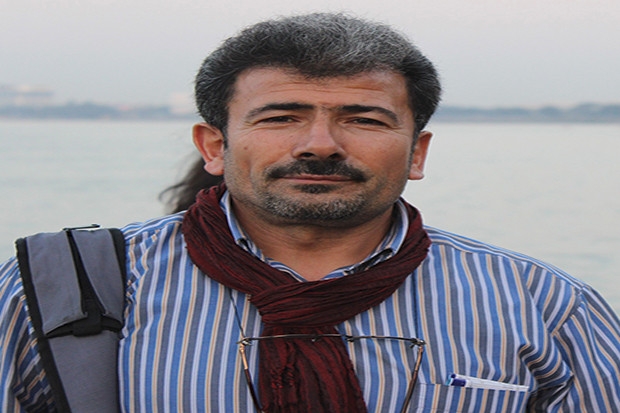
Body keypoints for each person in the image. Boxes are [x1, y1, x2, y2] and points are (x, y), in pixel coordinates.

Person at [1, 12, 620, 413]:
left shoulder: (544, 306)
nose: (320, 145)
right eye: (280, 117)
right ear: (214, 146)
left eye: (364, 119)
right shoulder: (57, 291)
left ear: (417, 152)